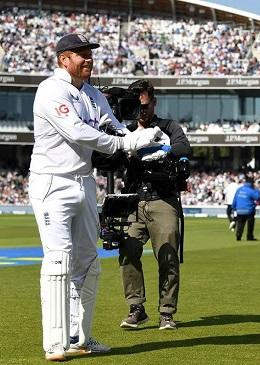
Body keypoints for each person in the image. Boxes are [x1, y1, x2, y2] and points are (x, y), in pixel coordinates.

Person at [29, 33, 161, 361]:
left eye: (89, 54)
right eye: (81, 54)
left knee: (89, 264)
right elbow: (77, 131)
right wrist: (125, 144)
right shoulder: (51, 90)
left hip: (84, 183)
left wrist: (144, 142)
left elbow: (114, 127)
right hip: (51, 183)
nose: (88, 59)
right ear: (63, 59)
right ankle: (55, 344)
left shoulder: (91, 94)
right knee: (58, 260)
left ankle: (80, 338)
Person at [119, 79, 191, 331]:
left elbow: (184, 146)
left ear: (154, 102)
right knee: (127, 252)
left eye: (146, 105)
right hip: (133, 200)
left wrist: (161, 149)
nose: (142, 111)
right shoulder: (124, 130)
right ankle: (136, 308)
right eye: (137, 106)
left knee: (168, 256)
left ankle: (167, 313)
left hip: (163, 198)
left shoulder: (168, 126)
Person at [232, 175, 260, 241]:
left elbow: (235, 200)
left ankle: (238, 236)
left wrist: (234, 208)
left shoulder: (239, 189)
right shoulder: (251, 190)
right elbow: (258, 198)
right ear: (252, 183)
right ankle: (249, 236)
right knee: (250, 223)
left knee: (240, 223)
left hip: (239, 210)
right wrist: (257, 190)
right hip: (249, 210)